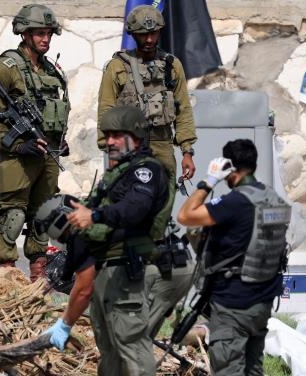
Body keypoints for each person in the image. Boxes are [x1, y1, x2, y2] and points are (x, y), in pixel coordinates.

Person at [43, 106, 168, 376]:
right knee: (107, 341)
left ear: (136, 137)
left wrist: (95, 217)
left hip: (128, 267)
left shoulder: (146, 170)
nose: (109, 141)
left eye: (117, 135)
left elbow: (136, 209)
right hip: (107, 269)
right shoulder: (118, 172)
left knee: (131, 342)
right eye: (107, 135)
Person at [97, 4, 198, 337]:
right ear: (134, 35)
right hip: (130, 148)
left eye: (154, 33)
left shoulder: (172, 65)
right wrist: (111, 152)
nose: (150, 39)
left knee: (161, 213)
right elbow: (106, 109)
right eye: (144, 34)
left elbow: (183, 110)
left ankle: (154, 278)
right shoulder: (117, 68)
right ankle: (126, 276)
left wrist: (187, 150)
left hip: (163, 146)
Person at [177, 139, 289, 376]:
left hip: (234, 303)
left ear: (230, 168)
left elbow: (185, 216)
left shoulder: (236, 202)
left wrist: (209, 181)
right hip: (262, 301)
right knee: (252, 372)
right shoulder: (272, 199)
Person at [0, 4, 70, 282]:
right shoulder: (8, 67)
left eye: (49, 33)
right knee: (13, 215)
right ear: (25, 34)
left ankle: (38, 275)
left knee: (43, 213)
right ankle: (7, 275)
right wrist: (19, 146)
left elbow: (57, 111)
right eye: (39, 33)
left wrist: (60, 140)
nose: (46, 39)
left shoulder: (51, 70)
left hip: (48, 153)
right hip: (18, 156)